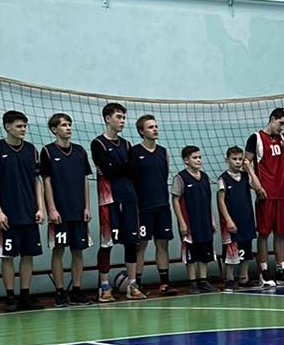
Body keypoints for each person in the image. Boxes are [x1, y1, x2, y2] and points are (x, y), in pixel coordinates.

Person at [0, 110, 44, 313]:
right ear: (7, 127)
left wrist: (40, 207)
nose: (23, 129)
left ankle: (25, 295)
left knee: (28, 255)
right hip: (8, 214)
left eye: (25, 126)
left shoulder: (31, 150)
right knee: (8, 256)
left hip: (29, 212)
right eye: (19, 126)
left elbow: (37, 181)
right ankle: (10, 296)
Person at [91, 102, 145, 303]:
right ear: (107, 119)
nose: (122, 121)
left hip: (129, 198)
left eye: (123, 117)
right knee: (107, 243)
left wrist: (118, 167)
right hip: (109, 200)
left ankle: (132, 285)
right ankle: (104, 287)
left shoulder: (127, 144)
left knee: (131, 242)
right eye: (118, 117)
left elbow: (133, 170)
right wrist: (122, 167)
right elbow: (109, 170)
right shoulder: (98, 144)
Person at [39, 113, 92, 308]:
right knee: (58, 250)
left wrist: (87, 206)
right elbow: (46, 181)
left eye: (69, 124)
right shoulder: (47, 151)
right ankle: (60, 292)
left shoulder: (80, 151)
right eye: (63, 125)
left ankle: (76, 290)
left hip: (78, 210)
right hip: (60, 212)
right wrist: (51, 209)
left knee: (78, 251)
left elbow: (85, 180)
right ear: (54, 130)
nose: (68, 128)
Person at [246, 106, 284, 284]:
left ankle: (280, 270)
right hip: (266, 194)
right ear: (272, 119)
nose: (282, 127)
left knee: (280, 233)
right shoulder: (256, 138)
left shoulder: (281, 138)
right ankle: (263, 272)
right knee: (263, 234)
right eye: (281, 123)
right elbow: (246, 163)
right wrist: (256, 186)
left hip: (282, 193)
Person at [131, 114, 173, 295]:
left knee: (162, 244)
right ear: (141, 131)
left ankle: (164, 283)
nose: (155, 129)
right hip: (143, 208)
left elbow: (164, 175)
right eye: (150, 127)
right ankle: (137, 284)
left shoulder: (163, 152)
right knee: (140, 246)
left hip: (162, 206)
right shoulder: (134, 152)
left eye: (156, 126)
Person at [171, 146, 216, 292]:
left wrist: (212, 219)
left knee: (204, 251)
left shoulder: (205, 177)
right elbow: (175, 200)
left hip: (204, 220)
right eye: (195, 158)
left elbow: (208, 201)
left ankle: (203, 281)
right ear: (186, 160)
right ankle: (192, 282)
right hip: (189, 223)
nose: (198, 160)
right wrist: (181, 222)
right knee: (191, 253)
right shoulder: (180, 178)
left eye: (199, 157)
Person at [217, 145, 260, 290]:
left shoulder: (245, 176)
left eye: (240, 159)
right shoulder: (223, 179)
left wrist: (249, 169)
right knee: (231, 252)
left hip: (246, 219)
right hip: (232, 222)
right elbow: (221, 201)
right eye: (234, 159)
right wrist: (228, 220)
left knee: (246, 250)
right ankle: (229, 279)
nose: (237, 162)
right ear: (227, 160)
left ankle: (243, 278)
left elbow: (258, 187)